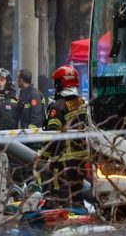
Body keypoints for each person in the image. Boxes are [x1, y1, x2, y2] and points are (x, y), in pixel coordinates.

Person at [40, 66, 88, 209]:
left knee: (60, 196)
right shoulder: (81, 103)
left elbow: (53, 137)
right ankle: (81, 222)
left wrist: (43, 156)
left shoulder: (58, 106)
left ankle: (62, 226)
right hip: (81, 159)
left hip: (63, 161)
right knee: (77, 194)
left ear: (60, 83)